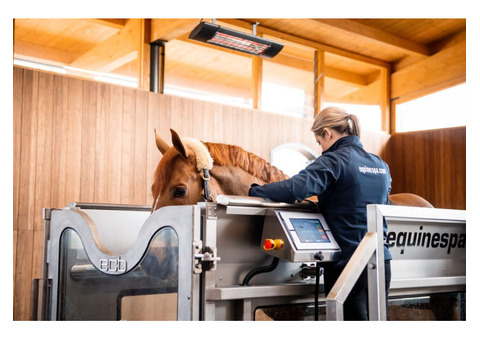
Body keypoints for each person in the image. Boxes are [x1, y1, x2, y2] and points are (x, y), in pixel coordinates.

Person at [249, 106, 392, 320]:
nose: (321, 149)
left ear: (327, 133)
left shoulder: (335, 159)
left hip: (349, 265)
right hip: (382, 262)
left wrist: (254, 190)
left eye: (319, 142)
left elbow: (294, 189)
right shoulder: (380, 165)